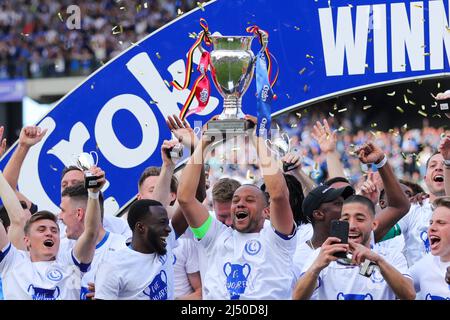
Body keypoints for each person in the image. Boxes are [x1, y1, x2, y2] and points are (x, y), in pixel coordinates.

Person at [177, 115, 297, 300]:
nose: (240, 203)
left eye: (250, 200)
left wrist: (255, 137)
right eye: (236, 200)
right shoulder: (216, 236)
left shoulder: (278, 239)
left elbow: (279, 194)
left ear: (267, 211)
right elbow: (185, 198)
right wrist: (205, 143)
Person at [294, 141, 410, 271]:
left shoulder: (356, 237)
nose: (347, 205)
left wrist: (381, 162)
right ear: (319, 214)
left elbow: (400, 207)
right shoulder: (302, 257)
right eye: (339, 203)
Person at [0, 166, 104, 300]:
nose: (49, 233)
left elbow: (91, 232)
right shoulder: (12, 261)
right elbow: (18, 219)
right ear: (27, 240)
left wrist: (93, 194)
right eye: (41, 229)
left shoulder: (70, 264)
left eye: (54, 230)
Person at [293, 195, 415, 300]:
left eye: (360, 219)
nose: (351, 226)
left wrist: (378, 261)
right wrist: (316, 267)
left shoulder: (390, 256)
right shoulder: (323, 255)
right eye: (345, 219)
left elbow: (409, 295)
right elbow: (297, 297)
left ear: (374, 224)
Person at [94, 199, 177, 300]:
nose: (168, 229)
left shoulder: (164, 242)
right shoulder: (112, 267)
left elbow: (188, 202)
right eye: (162, 223)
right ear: (141, 227)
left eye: (167, 223)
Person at [58, 183, 127, 300]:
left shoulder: (123, 250)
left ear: (79, 214)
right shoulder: (62, 251)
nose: (60, 217)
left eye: (63, 210)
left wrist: (116, 295)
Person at [388, 150, 447, 266]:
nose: (439, 168)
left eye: (446, 165)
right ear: (425, 178)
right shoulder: (412, 209)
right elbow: (378, 234)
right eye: (433, 165)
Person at [61, 166, 132, 239]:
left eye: (75, 183)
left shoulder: (120, 227)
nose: (68, 187)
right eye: (64, 185)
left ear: (90, 185)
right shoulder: (55, 231)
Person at [409, 197, 450, 300]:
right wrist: (369, 264)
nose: (431, 228)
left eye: (441, 223)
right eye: (431, 223)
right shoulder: (427, 262)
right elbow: (388, 287)